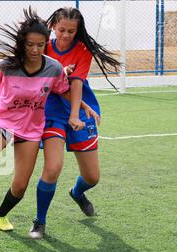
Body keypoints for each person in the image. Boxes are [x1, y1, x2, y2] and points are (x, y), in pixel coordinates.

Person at [0, 8, 94, 242]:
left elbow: (64, 91)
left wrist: (82, 107)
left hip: (31, 129)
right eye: (30, 44)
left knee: (20, 186)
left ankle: (0, 215)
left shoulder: (53, 68)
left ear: (45, 44)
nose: (35, 50)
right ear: (22, 43)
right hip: (0, 121)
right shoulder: (6, 65)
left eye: (40, 45)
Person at [31, 7, 121, 240]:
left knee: (92, 177)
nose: (65, 35)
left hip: (79, 107)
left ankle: (77, 193)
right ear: (53, 27)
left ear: (77, 30)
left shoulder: (82, 50)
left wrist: (75, 115)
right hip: (51, 111)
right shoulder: (44, 48)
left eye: (71, 31)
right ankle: (39, 222)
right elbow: (48, 83)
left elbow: (77, 84)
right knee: (53, 168)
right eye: (61, 29)